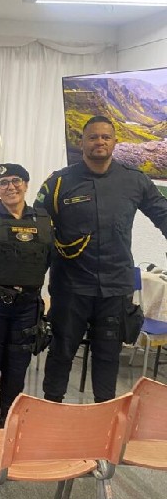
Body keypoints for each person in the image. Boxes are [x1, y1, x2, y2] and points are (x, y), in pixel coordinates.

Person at [36, 114, 167, 403]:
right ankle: (51, 408)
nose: (100, 142)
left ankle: (105, 413)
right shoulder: (59, 182)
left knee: (108, 355)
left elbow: (162, 213)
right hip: (71, 285)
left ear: (115, 142)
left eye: (106, 137)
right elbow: (38, 226)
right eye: (93, 137)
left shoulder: (135, 180)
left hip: (114, 286)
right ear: (81, 142)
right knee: (61, 351)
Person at [0, 163, 52, 429]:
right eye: (3, 183)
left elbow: (48, 259)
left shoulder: (43, 220)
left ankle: (8, 412)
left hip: (26, 306)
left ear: (26, 184)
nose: (10, 187)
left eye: (16, 181)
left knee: (18, 363)